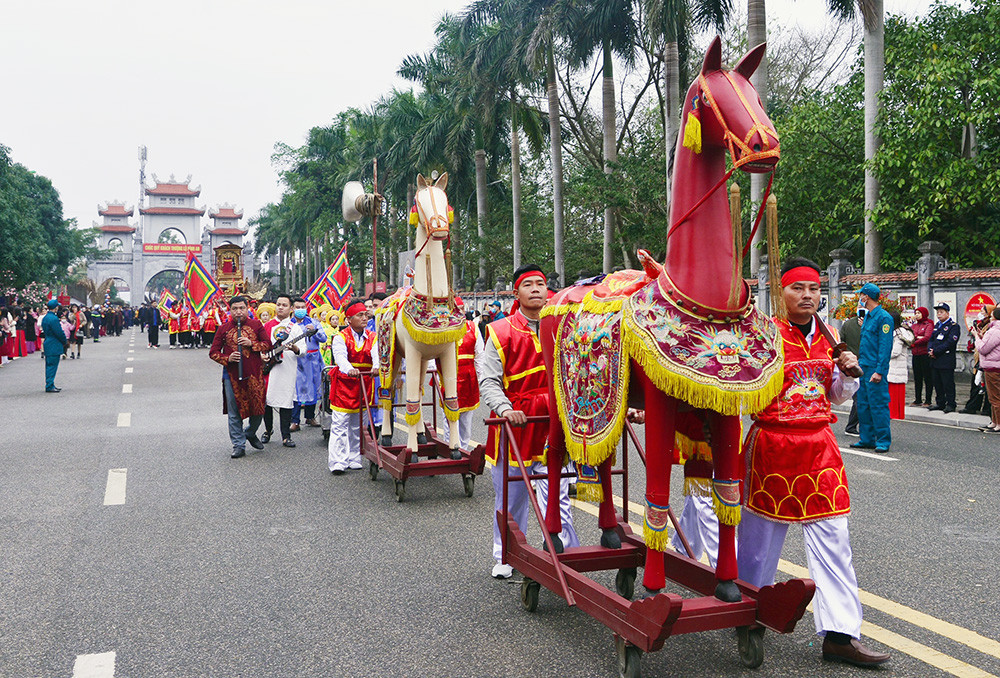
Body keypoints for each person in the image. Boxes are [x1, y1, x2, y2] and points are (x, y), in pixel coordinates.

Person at [737, 258, 889, 668]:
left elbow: (835, 396)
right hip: (772, 444)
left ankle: (841, 635)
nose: (807, 296)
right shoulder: (763, 335)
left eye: (813, 289)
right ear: (781, 292)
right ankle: (749, 612)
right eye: (797, 288)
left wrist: (849, 374)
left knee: (835, 542)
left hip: (819, 448)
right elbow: (743, 392)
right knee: (760, 542)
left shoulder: (830, 335)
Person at [477, 264, 578, 579]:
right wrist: (505, 409)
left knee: (558, 494)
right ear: (516, 292)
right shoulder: (501, 330)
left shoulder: (565, 329)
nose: (536, 289)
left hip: (554, 423)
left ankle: (567, 555)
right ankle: (504, 555)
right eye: (528, 284)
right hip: (516, 423)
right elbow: (489, 381)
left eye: (541, 284)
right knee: (512, 497)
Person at [209, 295, 271, 459]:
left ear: (247, 309)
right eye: (234, 309)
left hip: (254, 374)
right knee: (234, 411)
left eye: (241, 308)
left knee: (258, 408)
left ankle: (250, 432)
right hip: (231, 375)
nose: (238, 312)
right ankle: (238, 445)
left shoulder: (256, 325)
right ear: (230, 310)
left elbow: (267, 344)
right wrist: (226, 359)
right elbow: (213, 352)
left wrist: (252, 344)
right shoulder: (223, 328)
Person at [327, 299, 376, 474]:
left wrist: (377, 366)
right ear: (349, 319)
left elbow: (376, 354)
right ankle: (337, 461)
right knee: (340, 423)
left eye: (365, 314)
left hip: (364, 383)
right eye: (360, 315)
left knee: (358, 424)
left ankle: (354, 456)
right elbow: (340, 358)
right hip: (345, 384)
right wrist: (349, 369)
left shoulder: (372, 336)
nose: (364, 318)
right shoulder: (340, 337)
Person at [851, 283, 893, 453]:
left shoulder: (884, 318)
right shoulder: (868, 317)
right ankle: (867, 438)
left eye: (861, 295)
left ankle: (883, 440)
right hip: (863, 367)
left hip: (874, 368)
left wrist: (880, 371)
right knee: (863, 404)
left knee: (878, 405)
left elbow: (885, 346)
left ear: (866, 297)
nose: (859, 298)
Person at [265, 294, 303, 448]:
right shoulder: (266, 326)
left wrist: (295, 348)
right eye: (278, 304)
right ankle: (268, 430)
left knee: (286, 401)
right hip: (268, 368)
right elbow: (260, 345)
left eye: (284, 305)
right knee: (266, 400)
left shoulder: (295, 328)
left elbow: (303, 350)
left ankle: (286, 436)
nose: (280, 307)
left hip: (287, 367)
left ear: (291, 309)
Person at [291, 298, 327, 428]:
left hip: (313, 359)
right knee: (296, 388)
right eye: (297, 307)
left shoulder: (314, 322)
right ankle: (294, 420)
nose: (300, 310)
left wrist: (314, 331)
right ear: (292, 309)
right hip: (298, 360)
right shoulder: (290, 324)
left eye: (303, 307)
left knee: (313, 386)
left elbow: (324, 339)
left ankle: (310, 417)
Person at [928, 301, 961, 413]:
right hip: (935, 359)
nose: (939, 314)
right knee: (937, 383)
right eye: (937, 312)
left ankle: (951, 404)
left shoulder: (953, 326)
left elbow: (950, 342)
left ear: (947, 313)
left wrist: (935, 351)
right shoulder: (937, 325)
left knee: (948, 383)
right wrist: (930, 350)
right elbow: (931, 339)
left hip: (945, 359)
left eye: (941, 312)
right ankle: (940, 403)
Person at [974, 306, 1000, 432]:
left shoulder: (995, 330)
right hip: (993, 366)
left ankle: (997, 424)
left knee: (995, 398)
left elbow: (983, 349)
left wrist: (977, 338)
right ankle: (994, 422)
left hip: (993, 367)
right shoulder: (993, 329)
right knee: (993, 397)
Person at [841, 307, 864, 436]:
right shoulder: (869, 325)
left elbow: (840, 342)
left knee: (858, 396)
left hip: (852, 364)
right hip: (864, 362)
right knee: (860, 397)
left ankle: (853, 425)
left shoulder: (847, 324)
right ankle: (851, 426)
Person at [887, 310, 913, 420]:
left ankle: (895, 415)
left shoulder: (898, 334)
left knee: (894, 394)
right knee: (896, 394)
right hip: (896, 368)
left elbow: (895, 352)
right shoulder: (899, 332)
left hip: (896, 367)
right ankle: (897, 414)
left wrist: (883, 355)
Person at [41, 299, 68, 393]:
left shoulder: (46, 317)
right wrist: (64, 341)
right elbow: (59, 332)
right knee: (52, 365)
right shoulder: (54, 319)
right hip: (54, 343)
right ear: (55, 307)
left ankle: (50, 383)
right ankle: (49, 385)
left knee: (49, 365)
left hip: (48, 341)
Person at [909, 307, 934, 406]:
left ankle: (928, 400)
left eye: (919, 313)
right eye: (916, 313)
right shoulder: (914, 325)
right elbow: (910, 336)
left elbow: (927, 337)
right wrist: (917, 338)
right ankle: (917, 399)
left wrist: (915, 342)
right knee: (917, 378)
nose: (917, 314)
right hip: (916, 354)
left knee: (928, 378)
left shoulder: (928, 324)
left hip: (925, 354)